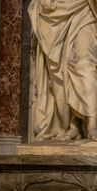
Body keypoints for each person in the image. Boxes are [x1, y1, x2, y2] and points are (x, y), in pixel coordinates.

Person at [28, 0, 97, 141]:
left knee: (84, 62)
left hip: (84, 10)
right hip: (54, 15)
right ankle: (73, 125)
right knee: (60, 73)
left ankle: (92, 122)